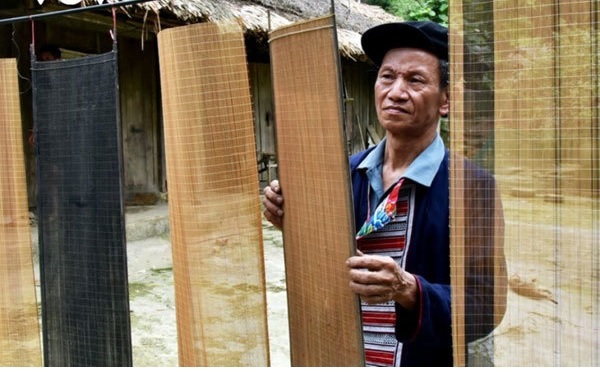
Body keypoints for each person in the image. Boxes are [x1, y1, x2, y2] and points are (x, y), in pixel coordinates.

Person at [263, 21, 507, 367]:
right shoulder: (340, 174)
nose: (396, 91)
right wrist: (288, 216)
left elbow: (487, 304)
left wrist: (408, 289)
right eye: (387, 76)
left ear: (446, 100)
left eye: (415, 80)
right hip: (337, 354)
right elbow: (323, 259)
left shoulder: (473, 188)